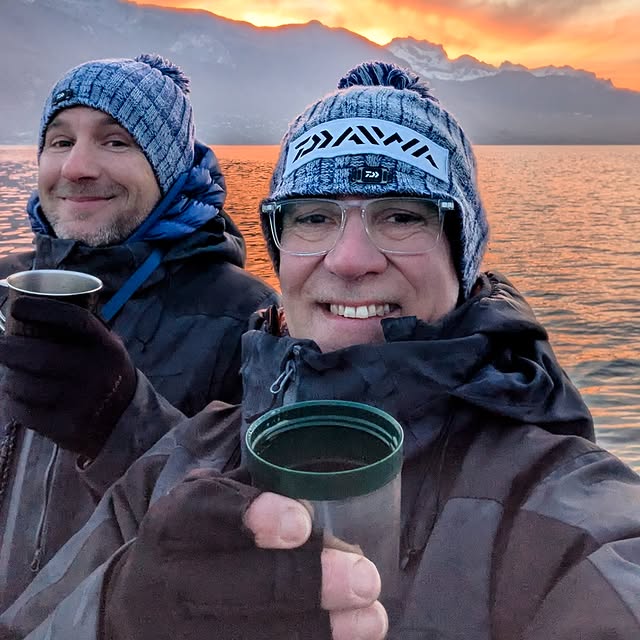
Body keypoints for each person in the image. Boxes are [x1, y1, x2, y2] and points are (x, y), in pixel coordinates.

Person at [2, 60, 640, 639]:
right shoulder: (186, 460)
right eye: (313, 217)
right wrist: (111, 613)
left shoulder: (562, 508)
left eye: (402, 215)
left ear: (462, 252)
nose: (350, 259)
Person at [0, 54, 278, 609]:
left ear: (168, 168)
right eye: (59, 141)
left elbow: (255, 529)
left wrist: (120, 419)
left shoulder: (243, 317)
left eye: (115, 141)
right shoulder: (7, 288)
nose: (77, 166)